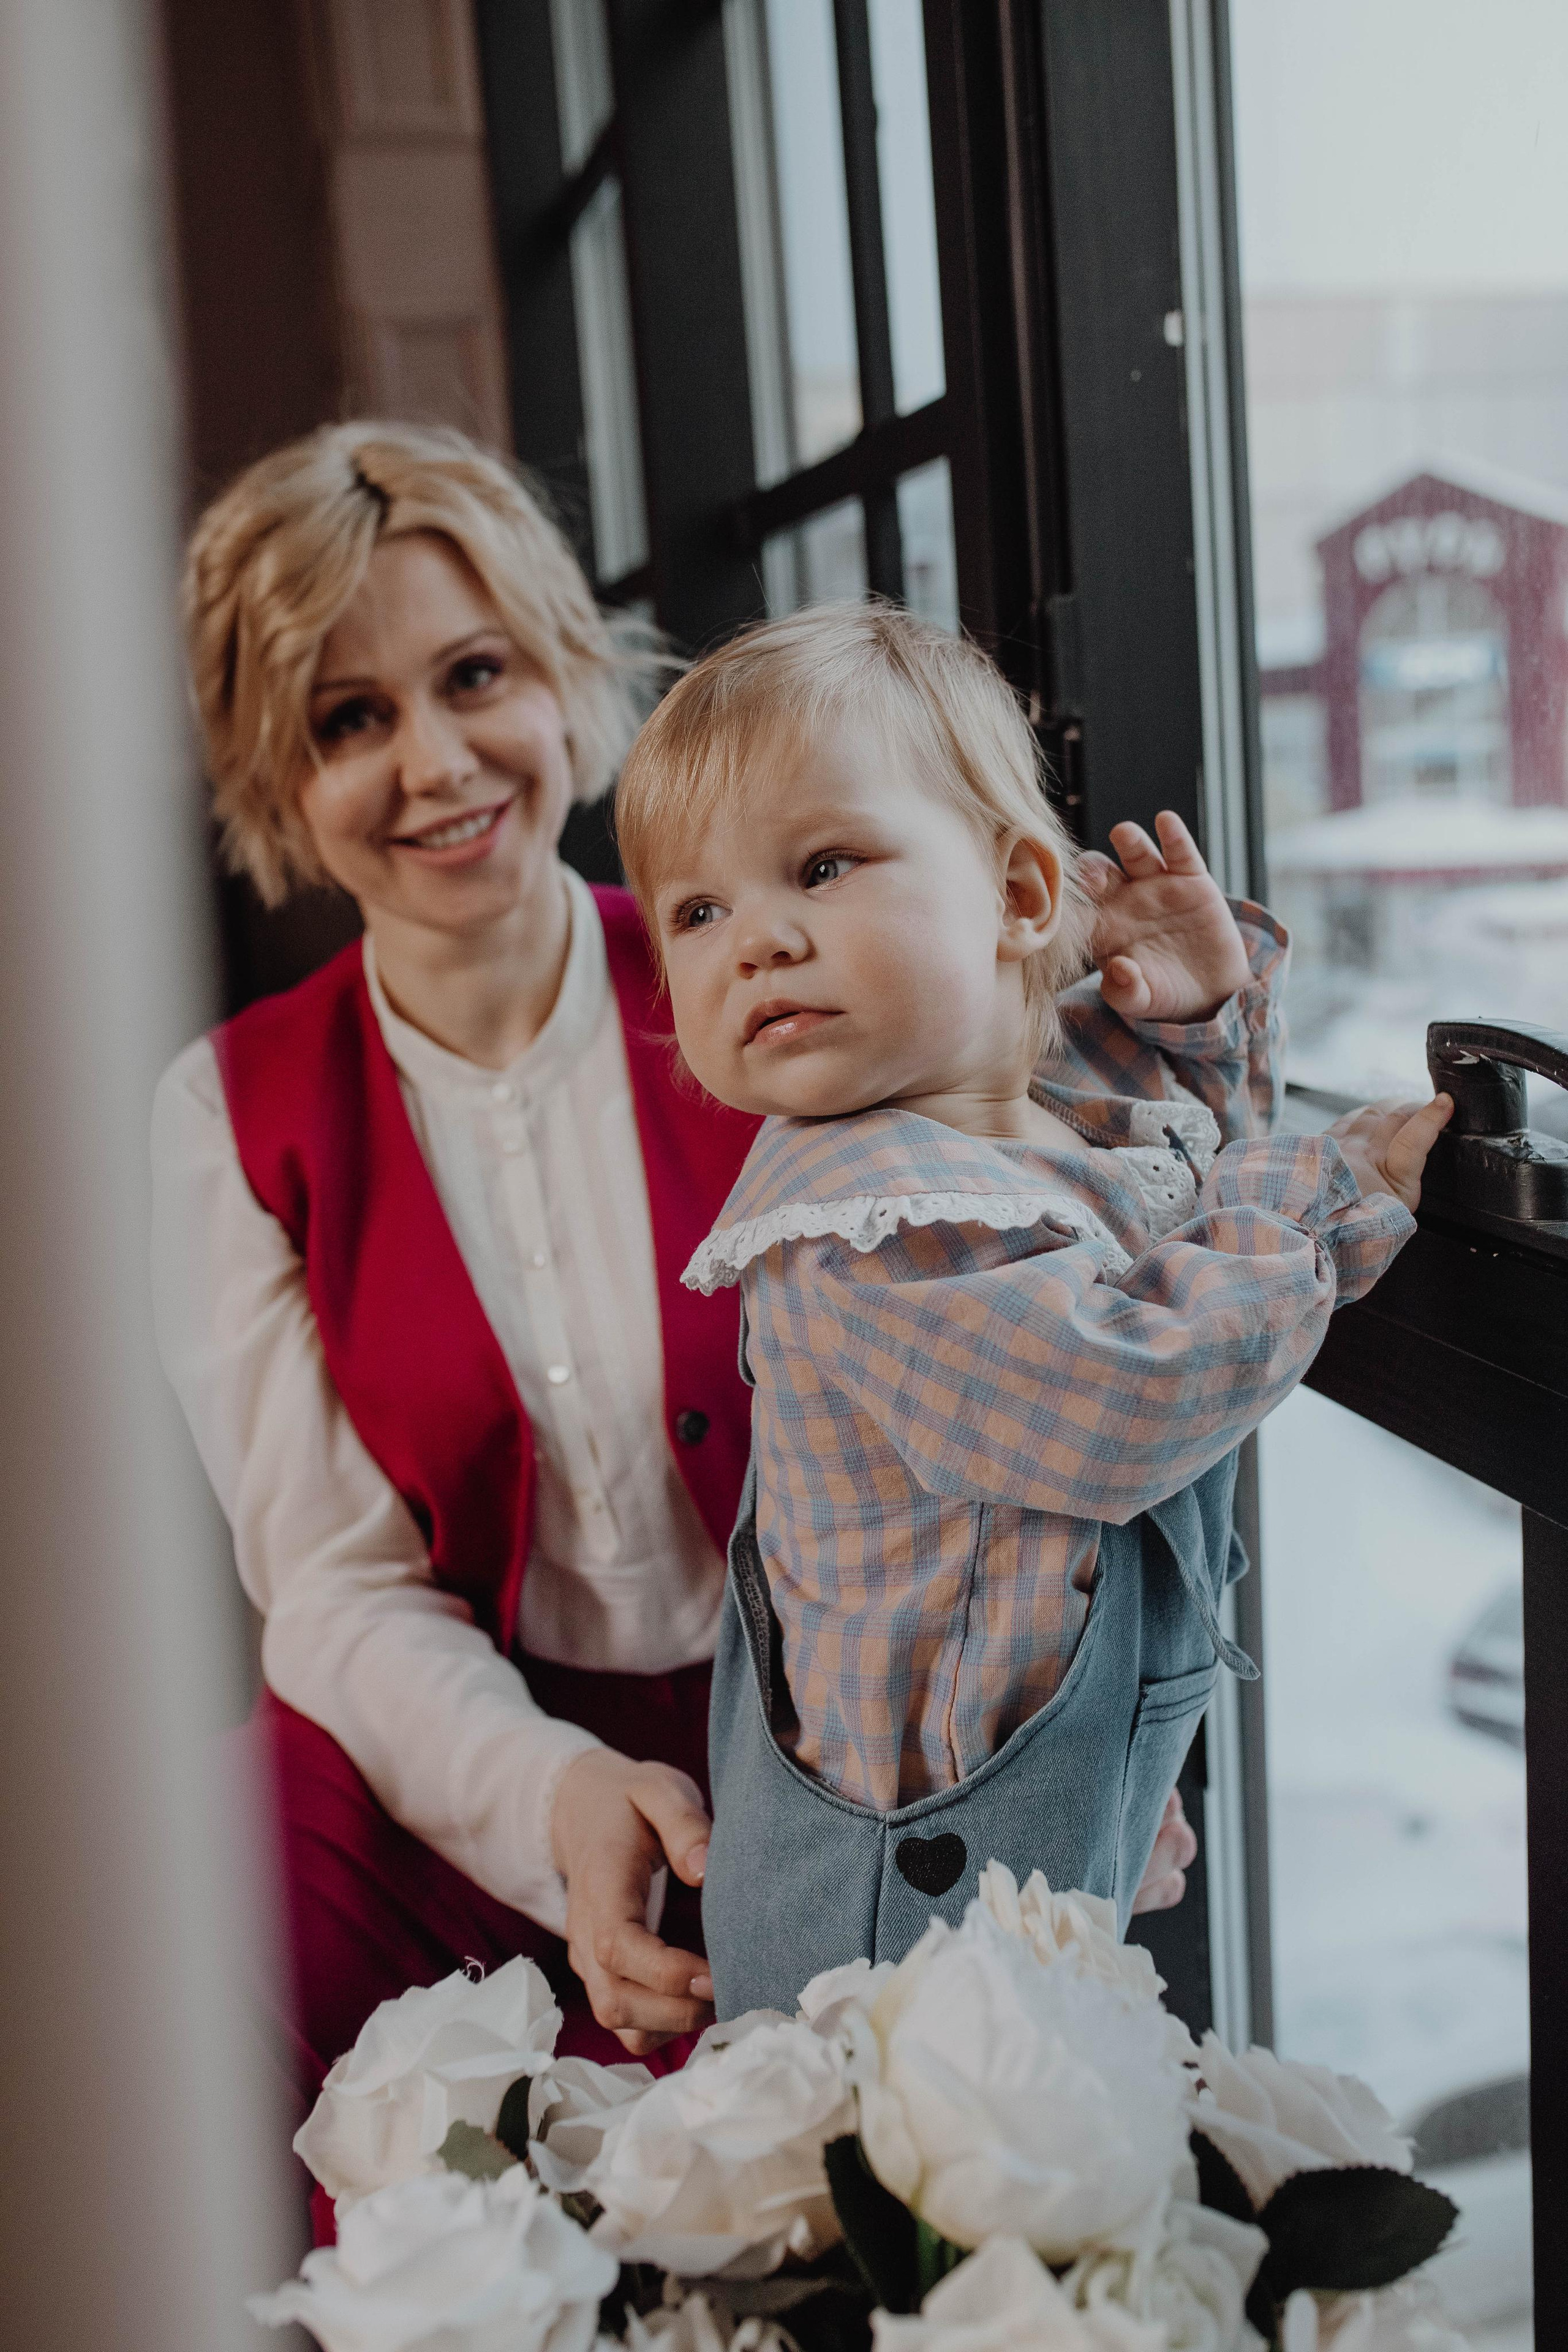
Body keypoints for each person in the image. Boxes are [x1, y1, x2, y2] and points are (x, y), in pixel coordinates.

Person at [154, 423, 1235, 2109]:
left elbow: (1045, 1320)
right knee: (209, 1895)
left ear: (563, 672)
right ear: (272, 775)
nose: (434, 761)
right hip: (481, 1770)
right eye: (349, 719)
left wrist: (1094, 1723)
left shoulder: (769, 984)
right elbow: (338, 1589)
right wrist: (552, 1794)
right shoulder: (231, 1115)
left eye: (474, 674)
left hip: (835, 1731)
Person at [612, 600, 1453, 2015]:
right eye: (696, 911)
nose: (751, 940)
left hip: (1012, 1832)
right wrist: (1324, 1189)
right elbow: (1127, 1393)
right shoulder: (857, 1222)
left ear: (1014, 896)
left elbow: (1154, 1198)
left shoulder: (1006, 1140)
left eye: (818, 866)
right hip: (883, 1932)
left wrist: (1184, 1023)